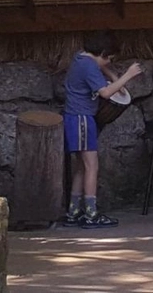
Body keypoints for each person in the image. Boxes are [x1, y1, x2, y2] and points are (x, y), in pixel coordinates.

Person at [61, 31, 142, 229]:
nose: (109, 61)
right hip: (82, 118)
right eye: (110, 57)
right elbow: (106, 93)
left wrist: (114, 77)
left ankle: (73, 212)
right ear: (104, 52)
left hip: (74, 117)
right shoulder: (88, 66)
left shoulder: (81, 58)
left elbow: (102, 67)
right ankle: (91, 213)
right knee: (91, 166)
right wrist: (127, 76)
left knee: (82, 167)